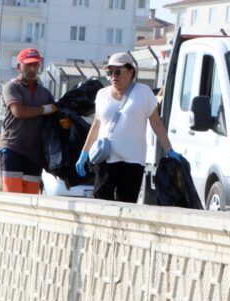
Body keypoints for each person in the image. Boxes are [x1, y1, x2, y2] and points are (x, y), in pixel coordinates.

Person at [76, 52, 181, 203]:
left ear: (130, 72)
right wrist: (84, 153)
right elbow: (96, 125)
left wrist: (169, 149)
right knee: (101, 201)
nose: (113, 76)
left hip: (133, 161)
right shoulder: (102, 95)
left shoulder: (143, 92)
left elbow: (156, 123)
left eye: (118, 71)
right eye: (109, 72)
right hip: (106, 159)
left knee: (126, 204)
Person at [0, 48, 56, 194]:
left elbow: (56, 114)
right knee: (13, 200)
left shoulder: (44, 93)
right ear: (19, 66)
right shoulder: (11, 88)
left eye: (35, 65)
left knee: (31, 201)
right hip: (13, 150)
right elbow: (19, 111)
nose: (32, 69)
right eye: (28, 65)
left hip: (34, 155)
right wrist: (44, 110)